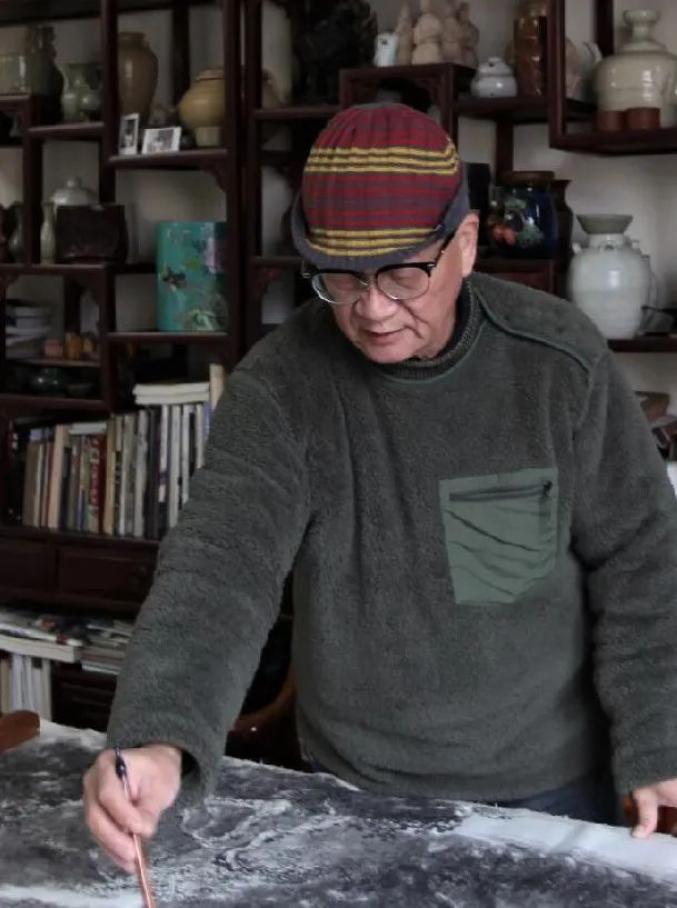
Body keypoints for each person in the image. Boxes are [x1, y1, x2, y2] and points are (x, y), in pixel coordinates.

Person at [84, 103, 677, 873]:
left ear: (465, 243)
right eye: (340, 276)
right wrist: (157, 739)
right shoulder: (282, 385)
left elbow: (641, 558)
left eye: (402, 274)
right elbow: (219, 567)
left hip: (551, 788)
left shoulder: (556, 361)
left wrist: (659, 736)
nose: (370, 309)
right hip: (354, 793)